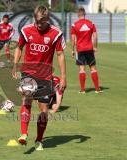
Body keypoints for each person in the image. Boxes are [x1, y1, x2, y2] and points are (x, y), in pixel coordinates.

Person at [12, 5, 66, 151]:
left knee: (43, 110)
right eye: (36, 21)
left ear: (47, 19)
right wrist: (15, 64)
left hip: (45, 76)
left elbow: (60, 55)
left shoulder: (56, 34)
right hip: (28, 73)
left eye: (41, 22)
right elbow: (19, 47)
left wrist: (63, 77)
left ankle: (39, 140)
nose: (38, 25)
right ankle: (23, 133)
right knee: (26, 99)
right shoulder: (26, 30)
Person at [71, 7, 102, 94]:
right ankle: (97, 89)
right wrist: (95, 47)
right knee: (93, 69)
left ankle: (83, 90)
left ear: (78, 14)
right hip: (89, 49)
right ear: (84, 14)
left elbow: (73, 39)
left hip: (80, 49)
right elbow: (95, 36)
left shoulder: (74, 25)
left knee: (82, 69)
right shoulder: (91, 23)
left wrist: (72, 50)